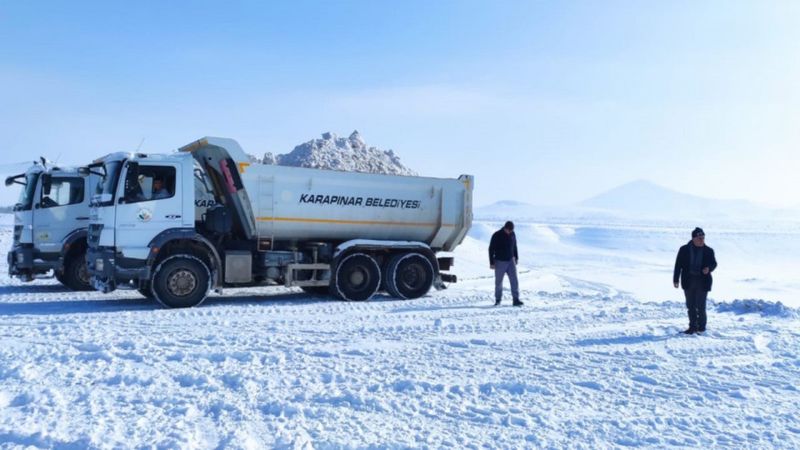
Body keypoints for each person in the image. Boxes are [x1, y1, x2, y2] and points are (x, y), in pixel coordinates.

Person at [673, 227, 717, 334]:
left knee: (700, 306)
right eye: (699, 238)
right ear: (693, 238)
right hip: (688, 281)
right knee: (690, 306)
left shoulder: (709, 250)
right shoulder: (684, 249)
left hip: (702, 281)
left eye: (703, 238)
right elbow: (678, 265)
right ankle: (692, 327)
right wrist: (676, 279)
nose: (702, 240)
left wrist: (709, 268)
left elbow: (714, 263)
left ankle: (701, 328)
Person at [489, 221, 523, 306]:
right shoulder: (496, 235)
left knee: (514, 280)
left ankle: (516, 299)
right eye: (509, 230)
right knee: (499, 282)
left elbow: (514, 246)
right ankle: (498, 300)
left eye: (511, 230)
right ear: (505, 228)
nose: (510, 231)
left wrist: (516, 257)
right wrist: (491, 262)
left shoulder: (512, 234)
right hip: (500, 261)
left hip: (511, 261)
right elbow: (491, 249)